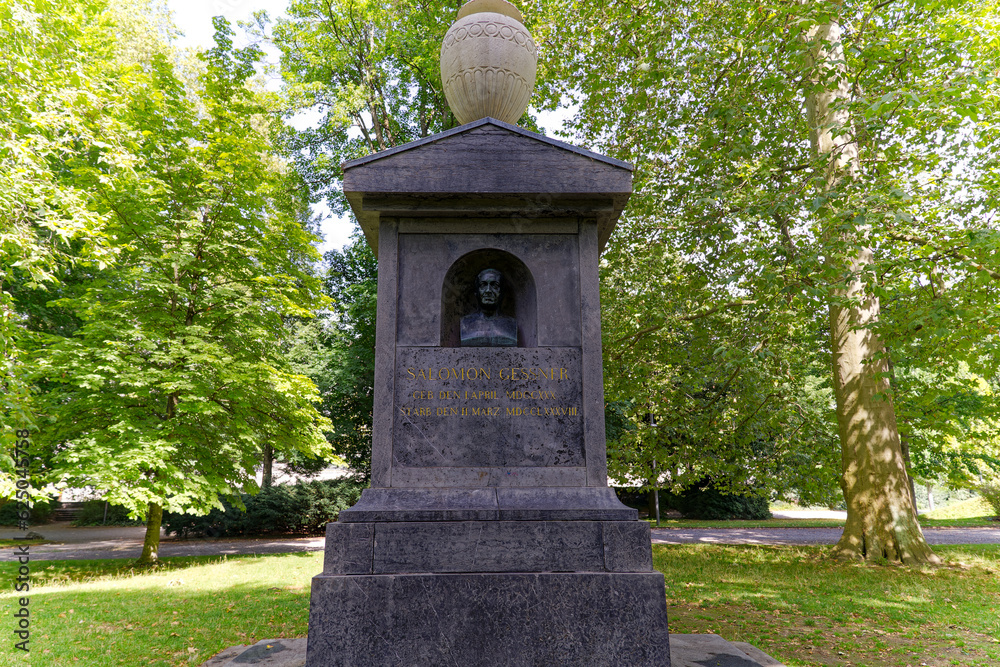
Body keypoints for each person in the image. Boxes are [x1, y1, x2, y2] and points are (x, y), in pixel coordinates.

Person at [460, 268, 518, 347]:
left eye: (494, 285)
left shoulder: (511, 324)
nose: (488, 290)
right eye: (483, 285)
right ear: (476, 292)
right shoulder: (465, 323)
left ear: (502, 292)